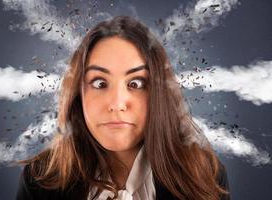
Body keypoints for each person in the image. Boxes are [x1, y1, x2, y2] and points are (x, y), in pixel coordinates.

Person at [16, 16, 230, 200]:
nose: (117, 104)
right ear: (77, 95)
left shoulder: (203, 174)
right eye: (100, 83)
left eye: (135, 83)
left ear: (158, 93)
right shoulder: (39, 180)